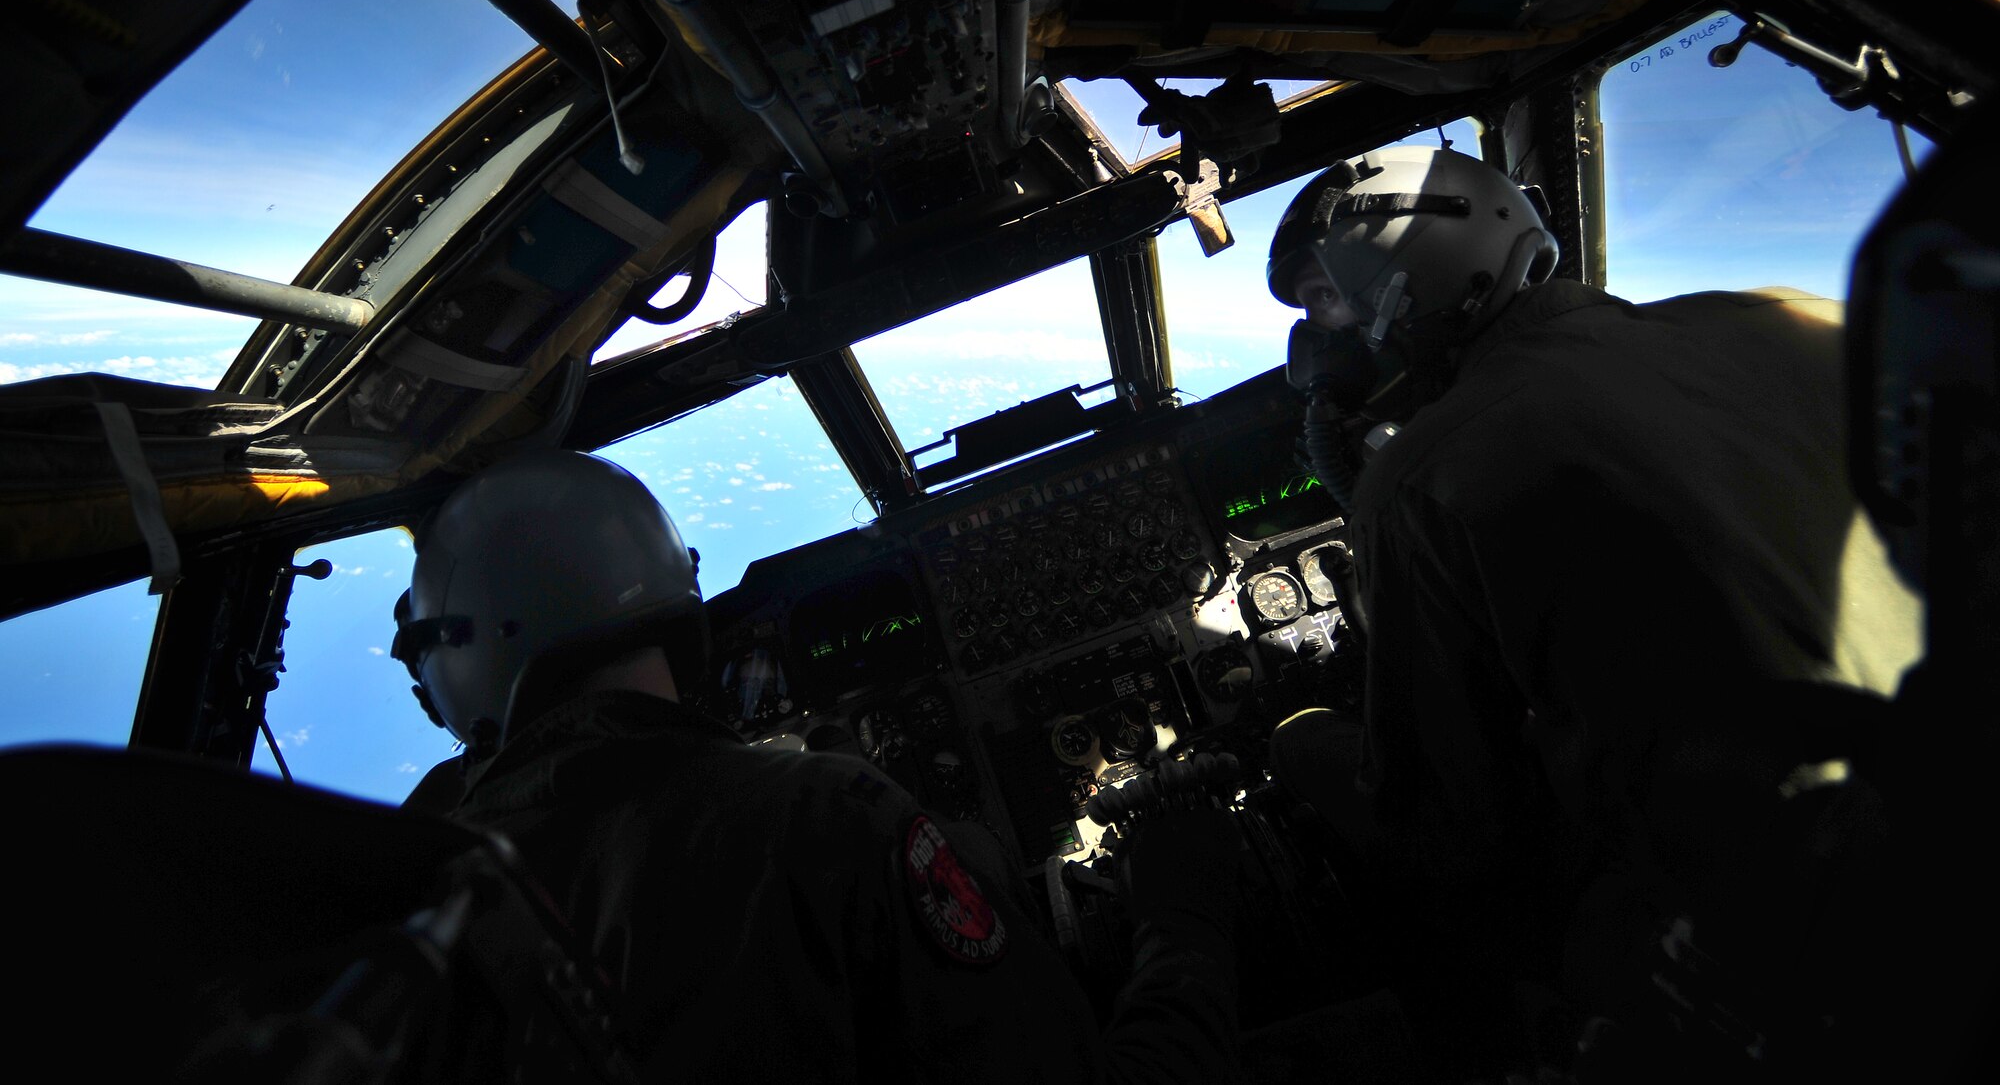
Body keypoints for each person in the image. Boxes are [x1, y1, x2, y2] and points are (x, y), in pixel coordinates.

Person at [1262, 144, 1923, 1039]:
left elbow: (1454, 831)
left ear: (1407, 280)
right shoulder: (1791, 312)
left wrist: (1313, 735)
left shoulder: (1419, 480)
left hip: (1819, 927)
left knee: (1323, 767)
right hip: (1953, 774)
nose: (1321, 341)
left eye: (1322, 299)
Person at [391, 448, 1245, 1083]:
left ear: (452, 663)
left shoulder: (411, 923)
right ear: (669, 583)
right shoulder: (824, 813)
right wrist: (1187, 923)